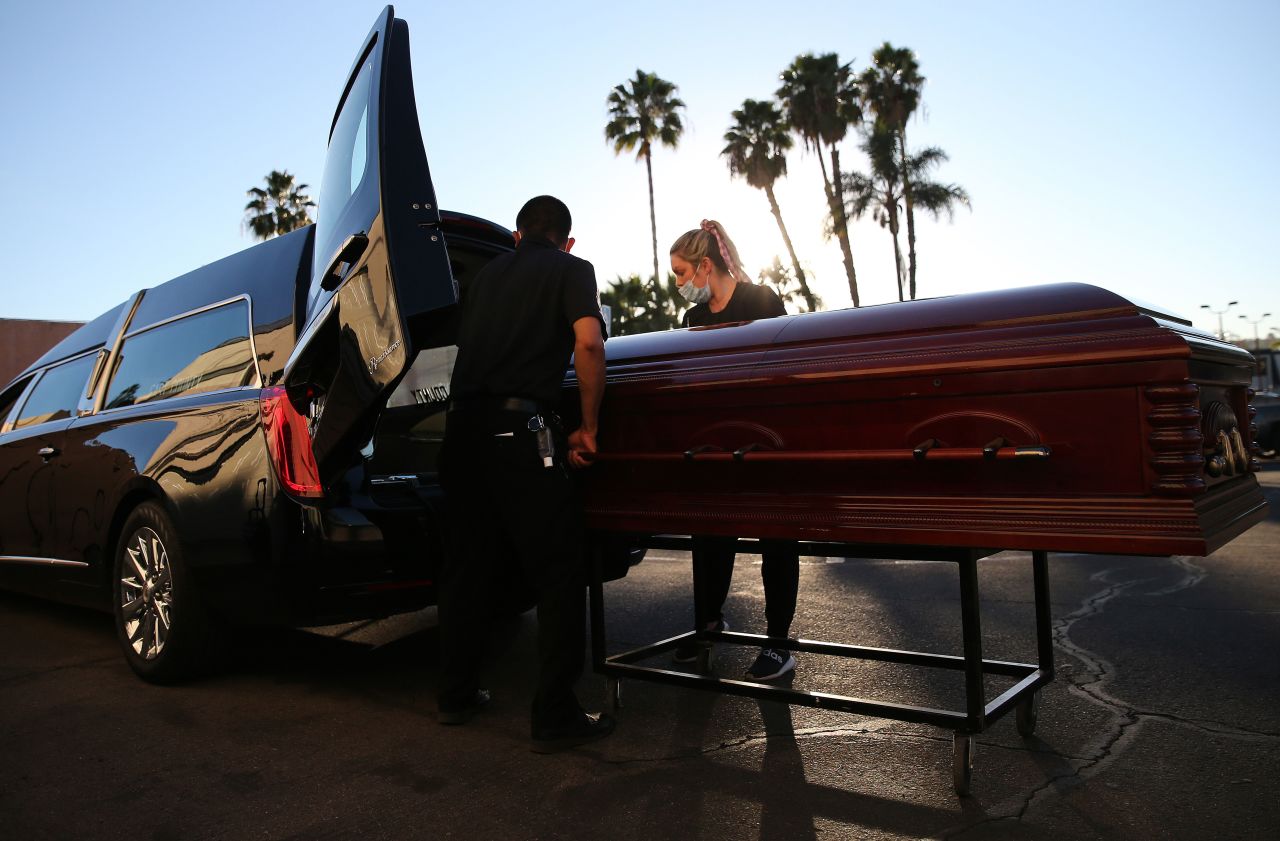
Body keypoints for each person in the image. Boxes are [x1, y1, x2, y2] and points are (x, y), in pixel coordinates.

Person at [435, 195, 613, 753]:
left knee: (466, 567)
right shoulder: (572, 270)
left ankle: (456, 695)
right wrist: (587, 427)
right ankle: (555, 714)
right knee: (559, 570)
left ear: (516, 236)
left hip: (461, 433)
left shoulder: (484, 278)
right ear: (567, 241)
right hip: (520, 434)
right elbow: (588, 341)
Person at [668, 219, 800, 682]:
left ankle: (779, 643)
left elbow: (781, 366)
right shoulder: (694, 318)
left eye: (683, 274)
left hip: (765, 438)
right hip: (716, 440)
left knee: (775, 539)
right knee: (709, 534)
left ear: (706, 265)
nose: (681, 285)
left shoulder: (761, 300)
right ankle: (709, 623)